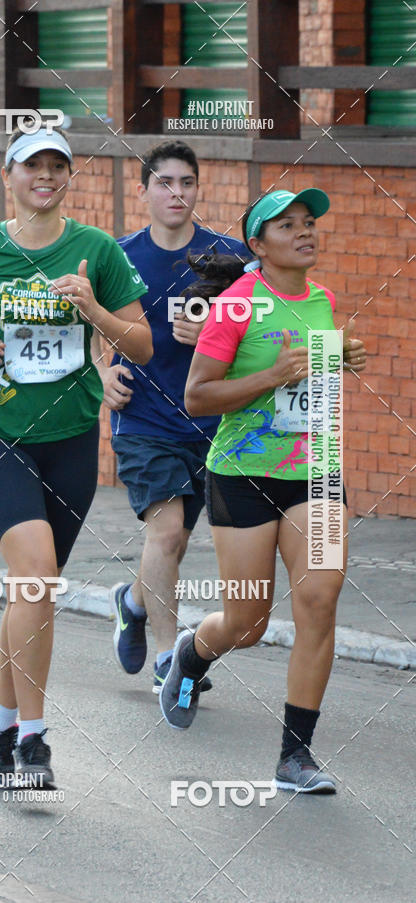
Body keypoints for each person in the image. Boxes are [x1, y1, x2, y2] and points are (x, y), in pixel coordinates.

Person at [0, 124, 152, 789]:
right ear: (10, 175)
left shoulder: (96, 251)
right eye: (33, 166)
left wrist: (95, 312)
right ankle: (32, 736)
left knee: (38, 589)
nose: (45, 175)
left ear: (68, 178)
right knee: (36, 573)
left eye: (57, 165)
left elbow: (140, 344)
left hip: (73, 440)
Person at [159, 188, 367, 794]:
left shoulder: (324, 300)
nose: (305, 232)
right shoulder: (235, 305)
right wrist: (275, 374)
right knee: (248, 622)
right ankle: (191, 656)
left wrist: (339, 359)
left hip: (318, 470)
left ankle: (295, 757)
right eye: (288, 225)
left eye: (310, 223)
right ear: (258, 243)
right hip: (244, 475)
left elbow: (314, 380)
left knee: (319, 602)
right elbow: (198, 395)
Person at [92, 141, 247, 693]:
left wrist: (212, 336)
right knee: (168, 532)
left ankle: (133, 602)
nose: (176, 192)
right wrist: (99, 374)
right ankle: (167, 658)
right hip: (143, 418)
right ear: (143, 192)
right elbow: (88, 324)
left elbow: (257, 332)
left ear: (197, 189)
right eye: (164, 182)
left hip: (212, 422)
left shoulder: (229, 258)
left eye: (186, 182)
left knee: (178, 543)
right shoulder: (116, 255)